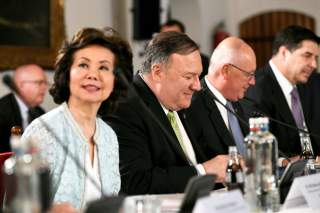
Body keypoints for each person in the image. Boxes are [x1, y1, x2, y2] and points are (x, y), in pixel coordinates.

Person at [21, 27, 133, 211]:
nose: (93, 75)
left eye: (103, 67)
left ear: (115, 80)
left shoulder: (109, 136)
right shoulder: (42, 131)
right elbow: (18, 207)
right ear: (67, 73)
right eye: (83, 65)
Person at [105, 31, 229, 195]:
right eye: (188, 76)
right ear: (157, 72)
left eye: (198, 76)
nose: (197, 86)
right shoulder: (124, 108)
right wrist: (205, 171)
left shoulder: (180, 101)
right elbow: (136, 182)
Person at [245, 25, 320, 165]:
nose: (314, 64)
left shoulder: (313, 82)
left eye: (316, 58)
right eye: (307, 55)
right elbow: (262, 152)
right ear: (284, 52)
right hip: (286, 175)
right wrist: (298, 162)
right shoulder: (256, 88)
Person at [186, 37, 256, 159]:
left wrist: (280, 162)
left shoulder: (241, 101)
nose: (253, 82)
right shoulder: (191, 106)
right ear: (226, 71)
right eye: (248, 74)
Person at [0, 64, 47, 152]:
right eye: (39, 82)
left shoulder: (40, 113)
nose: (44, 88)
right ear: (21, 85)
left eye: (45, 83)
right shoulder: (2, 110)